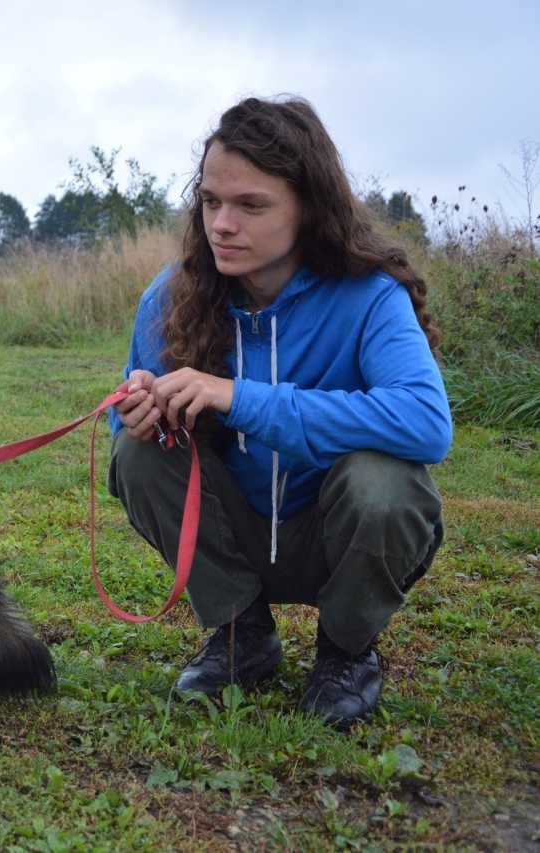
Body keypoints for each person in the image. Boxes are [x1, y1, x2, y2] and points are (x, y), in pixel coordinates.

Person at [107, 96, 451, 727]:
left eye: (251, 205)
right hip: (232, 529)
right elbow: (131, 427)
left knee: (387, 483)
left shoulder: (371, 297)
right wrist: (140, 411)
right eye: (211, 202)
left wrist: (237, 396)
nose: (222, 224)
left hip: (333, 532)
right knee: (137, 452)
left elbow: (426, 422)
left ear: (309, 209)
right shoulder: (170, 296)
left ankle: (346, 652)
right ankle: (242, 637)